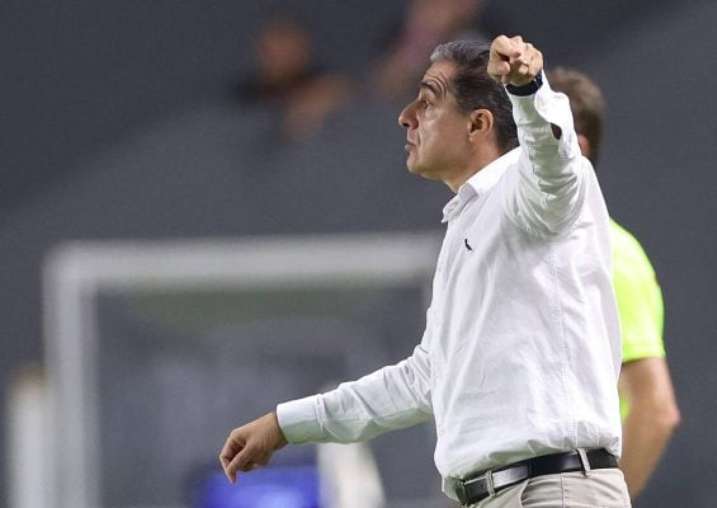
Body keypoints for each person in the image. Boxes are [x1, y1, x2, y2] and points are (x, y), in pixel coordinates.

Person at [220, 35, 632, 507]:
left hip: (552, 490)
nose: (406, 116)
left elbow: (555, 166)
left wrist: (528, 89)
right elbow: (424, 378)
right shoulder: (470, 221)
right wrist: (285, 424)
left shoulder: (532, 189)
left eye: (428, 102)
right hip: (500, 494)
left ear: (478, 124)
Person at [547, 67, 681, 499]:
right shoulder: (544, 252)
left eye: (529, 133)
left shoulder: (608, 254)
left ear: (576, 149)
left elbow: (655, 408)